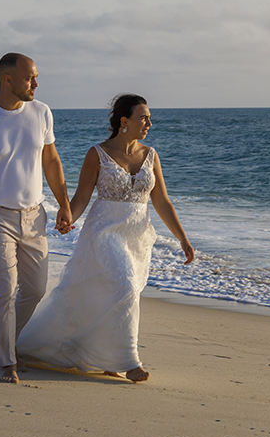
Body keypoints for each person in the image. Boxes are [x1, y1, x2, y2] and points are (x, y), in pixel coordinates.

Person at [11, 93, 194, 383]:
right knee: (125, 285)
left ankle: (106, 356)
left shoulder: (151, 155)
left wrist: (182, 238)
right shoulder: (97, 153)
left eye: (149, 117)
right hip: (104, 232)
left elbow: (162, 202)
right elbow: (83, 196)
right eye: (143, 117)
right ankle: (129, 361)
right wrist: (68, 216)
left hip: (137, 236)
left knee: (117, 294)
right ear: (125, 121)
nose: (149, 122)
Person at [0, 53, 73, 384]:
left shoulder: (42, 112)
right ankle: (7, 362)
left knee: (34, 290)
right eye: (29, 78)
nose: (36, 83)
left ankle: (3, 342)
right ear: (7, 80)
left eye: (35, 77)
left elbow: (50, 160)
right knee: (5, 288)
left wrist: (64, 203)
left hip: (35, 216)